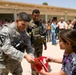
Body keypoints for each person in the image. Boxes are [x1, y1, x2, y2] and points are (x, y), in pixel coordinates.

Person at [27, 9, 47, 75]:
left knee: (40, 60)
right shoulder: (28, 24)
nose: (36, 17)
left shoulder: (41, 24)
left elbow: (43, 34)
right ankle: (34, 73)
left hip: (40, 45)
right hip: (32, 46)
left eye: (38, 16)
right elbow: (25, 36)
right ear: (32, 15)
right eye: (35, 16)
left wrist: (45, 44)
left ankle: (38, 71)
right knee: (33, 60)